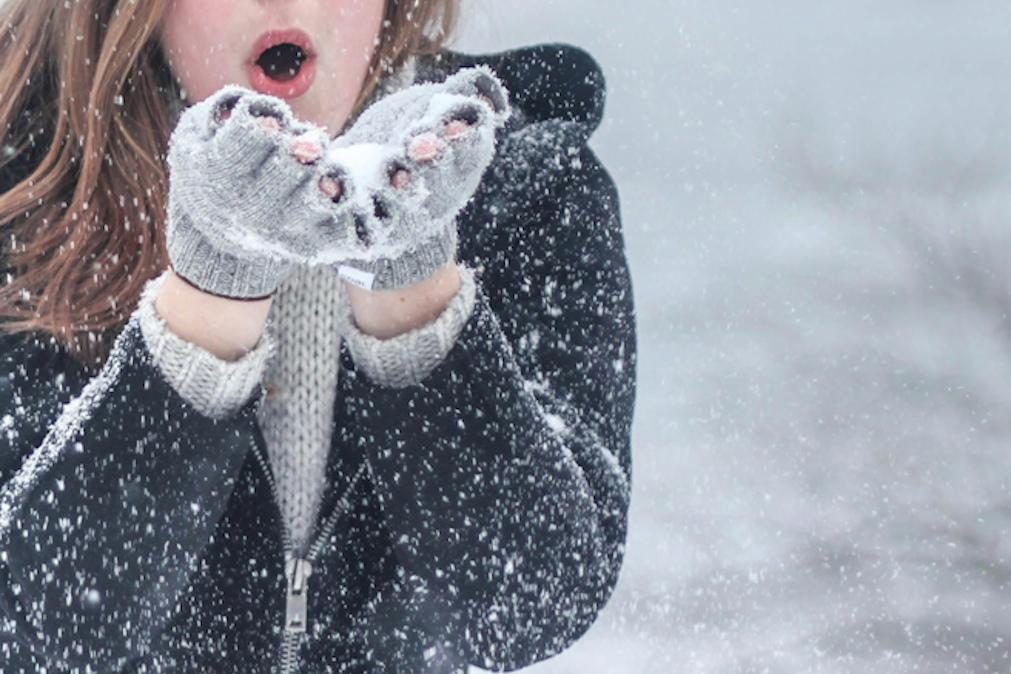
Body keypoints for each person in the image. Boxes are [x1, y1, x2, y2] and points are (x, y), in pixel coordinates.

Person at [0, 0, 638, 671]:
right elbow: (34, 632)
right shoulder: (25, 204)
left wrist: (413, 287)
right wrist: (211, 295)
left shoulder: (527, 188)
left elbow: (532, 604)